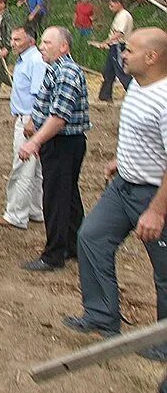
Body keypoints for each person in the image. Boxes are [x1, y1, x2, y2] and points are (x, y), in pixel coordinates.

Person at [62, 28, 167, 358]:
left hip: (155, 194)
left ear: (152, 57)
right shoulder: (137, 84)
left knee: (165, 273)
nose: (122, 54)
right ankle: (102, 315)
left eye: (130, 50)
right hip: (124, 186)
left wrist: (157, 211)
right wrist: (121, 159)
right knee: (91, 237)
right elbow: (142, 134)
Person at [18, 27, 91, 272]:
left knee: (56, 198)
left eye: (48, 42)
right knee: (67, 196)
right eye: (42, 42)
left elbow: (59, 118)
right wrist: (33, 121)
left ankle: (53, 256)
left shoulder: (67, 73)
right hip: (60, 142)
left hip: (63, 143)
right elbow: (47, 106)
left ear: (64, 47)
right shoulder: (56, 69)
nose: (41, 46)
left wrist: (35, 141)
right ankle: (74, 246)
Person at [0, 26, 47, 230]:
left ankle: (15, 214)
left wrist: (32, 120)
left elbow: (40, 93)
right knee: (36, 168)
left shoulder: (35, 61)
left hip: (29, 120)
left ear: (30, 41)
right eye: (12, 39)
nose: (13, 43)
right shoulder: (26, 60)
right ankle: (35, 209)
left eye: (18, 40)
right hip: (26, 117)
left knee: (22, 166)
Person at [94, 0, 134, 102]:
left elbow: (120, 33)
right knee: (108, 71)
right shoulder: (120, 15)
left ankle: (135, 94)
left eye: (112, 4)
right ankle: (105, 95)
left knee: (121, 71)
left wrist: (106, 42)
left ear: (119, 3)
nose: (110, 6)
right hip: (114, 46)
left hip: (118, 46)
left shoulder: (124, 15)